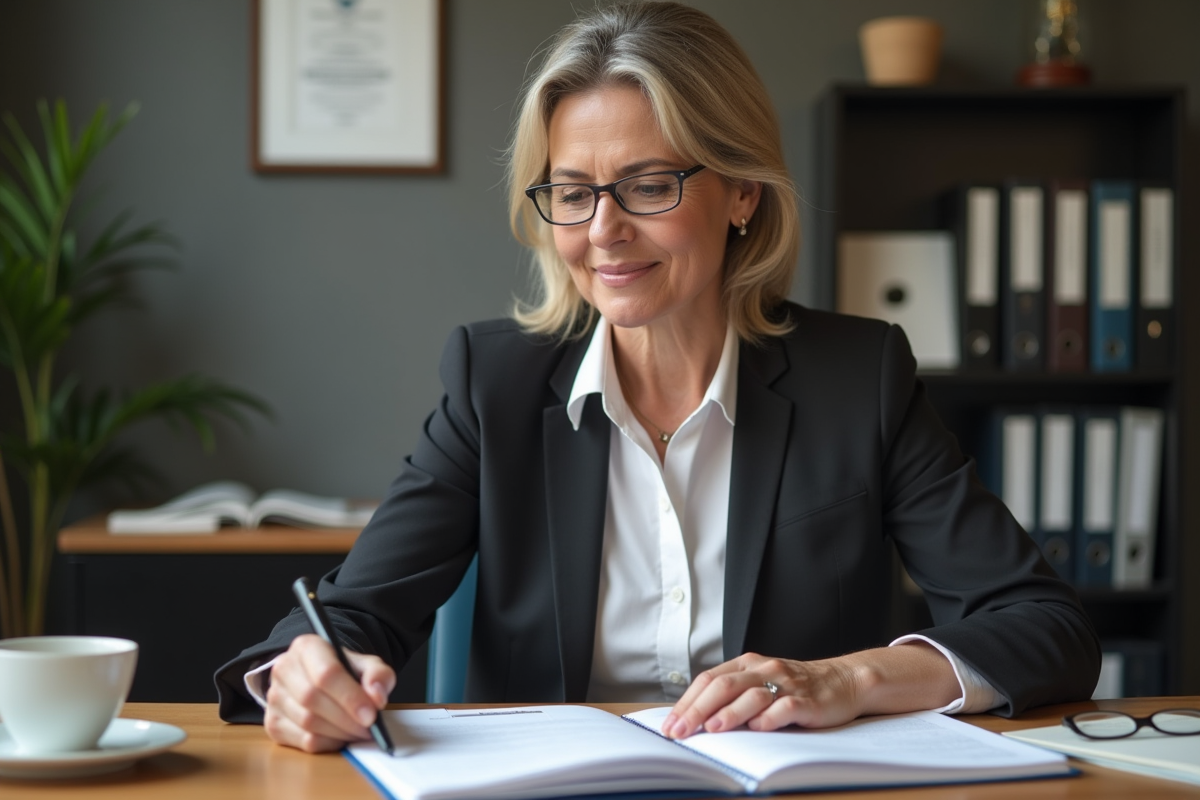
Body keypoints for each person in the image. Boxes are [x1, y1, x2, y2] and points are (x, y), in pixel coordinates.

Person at [215, 1, 1099, 753]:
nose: (603, 231)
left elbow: (1045, 629)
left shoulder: (857, 378)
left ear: (742, 193)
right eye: (571, 191)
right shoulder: (498, 382)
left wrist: (849, 679)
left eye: (648, 185)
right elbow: (351, 615)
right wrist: (302, 674)